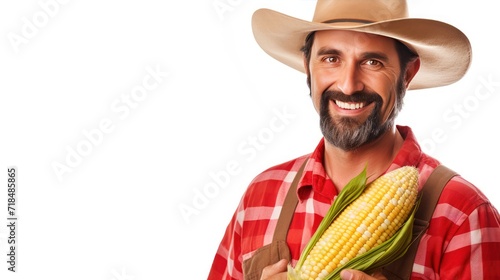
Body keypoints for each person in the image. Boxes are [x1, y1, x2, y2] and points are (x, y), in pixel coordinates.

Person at [208, 0, 500, 279]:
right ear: (307, 66)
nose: (348, 85)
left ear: (408, 74)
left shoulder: (463, 213)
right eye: (331, 59)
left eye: (372, 62)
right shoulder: (262, 194)